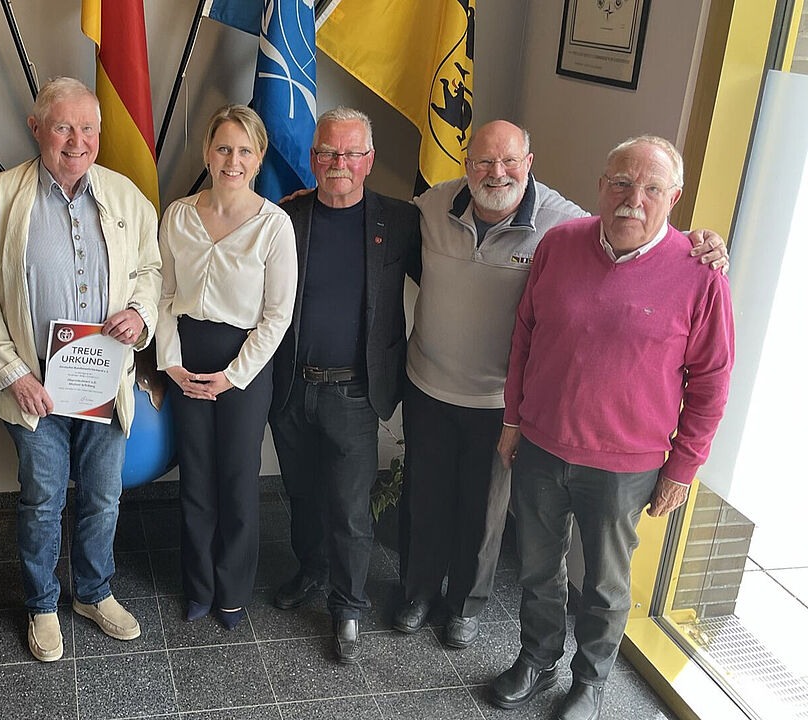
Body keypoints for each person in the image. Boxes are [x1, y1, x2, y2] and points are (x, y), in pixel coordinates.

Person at [396, 121, 730, 649]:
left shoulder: (561, 222)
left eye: (509, 162)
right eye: (482, 161)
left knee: (485, 516)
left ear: (530, 162)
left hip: (501, 400)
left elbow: (633, 232)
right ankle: (418, 594)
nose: (495, 173)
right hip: (435, 386)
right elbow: (375, 220)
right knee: (427, 499)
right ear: (465, 163)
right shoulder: (434, 206)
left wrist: (699, 241)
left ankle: (465, 607)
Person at [491, 136, 734, 720]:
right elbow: (525, 334)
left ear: (674, 198)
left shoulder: (700, 275)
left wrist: (683, 469)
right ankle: (538, 656)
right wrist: (512, 420)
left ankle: (592, 681)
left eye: (651, 188)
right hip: (544, 445)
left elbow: (712, 381)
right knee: (537, 567)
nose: (633, 198)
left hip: (627, 465)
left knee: (603, 585)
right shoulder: (560, 244)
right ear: (601, 185)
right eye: (622, 182)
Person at [0, 77, 161, 662]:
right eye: (64, 127)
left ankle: (94, 592)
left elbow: (151, 271)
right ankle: (43, 603)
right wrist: (11, 375)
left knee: (102, 497)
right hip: (35, 386)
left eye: (89, 128)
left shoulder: (127, 197)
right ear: (37, 128)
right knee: (42, 498)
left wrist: (139, 314)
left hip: (103, 382)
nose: (78, 140)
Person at [268, 107, 420, 662]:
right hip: (290, 388)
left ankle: (348, 606)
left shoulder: (400, 222)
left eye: (351, 153)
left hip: (355, 393)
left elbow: (456, 270)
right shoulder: (286, 217)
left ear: (369, 161)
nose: (339, 163)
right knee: (302, 495)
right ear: (313, 159)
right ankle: (310, 570)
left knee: (351, 509)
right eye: (328, 152)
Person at [158, 105, 297, 631]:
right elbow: (164, 296)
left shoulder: (273, 225)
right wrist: (170, 362)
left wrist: (234, 375)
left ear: (259, 158)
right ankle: (198, 586)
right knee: (195, 478)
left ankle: (233, 590)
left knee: (237, 480)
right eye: (223, 148)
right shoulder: (177, 215)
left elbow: (277, 315)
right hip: (185, 358)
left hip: (245, 364)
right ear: (207, 153)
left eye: (244, 150)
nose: (232, 160)